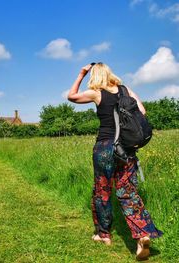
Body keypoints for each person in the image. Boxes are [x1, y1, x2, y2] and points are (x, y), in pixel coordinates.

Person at [67, 62, 163, 261]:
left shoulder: (96, 93)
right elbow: (142, 112)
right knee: (128, 193)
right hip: (126, 149)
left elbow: (71, 96)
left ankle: (104, 235)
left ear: (95, 76)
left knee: (102, 191)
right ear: (110, 73)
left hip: (104, 148)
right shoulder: (126, 90)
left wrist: (81, 74)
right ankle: (142, 234)